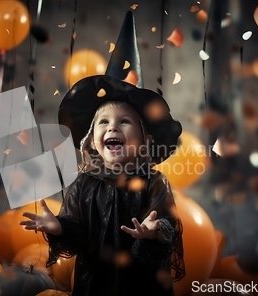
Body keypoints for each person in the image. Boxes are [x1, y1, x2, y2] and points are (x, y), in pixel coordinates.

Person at [20, 73, 185, 295]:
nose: (113, 128)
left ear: (145, 140)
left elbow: (168, 225)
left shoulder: (154, 182)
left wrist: (154, 232)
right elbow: (76, 233)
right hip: (94, 281)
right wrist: (60, 228)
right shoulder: (84, 183)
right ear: (92, 140)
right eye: (104, 121)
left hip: (142, 282)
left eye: (124, 121)